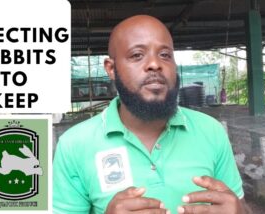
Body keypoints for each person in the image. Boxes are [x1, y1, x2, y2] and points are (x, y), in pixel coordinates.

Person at [53, 15, 247, 214]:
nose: (155, 64)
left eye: (165, 55)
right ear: (111, 69)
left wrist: (240, 211)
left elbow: (238, 204)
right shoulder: (74, 145)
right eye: (137, 55)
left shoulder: (211, 130)